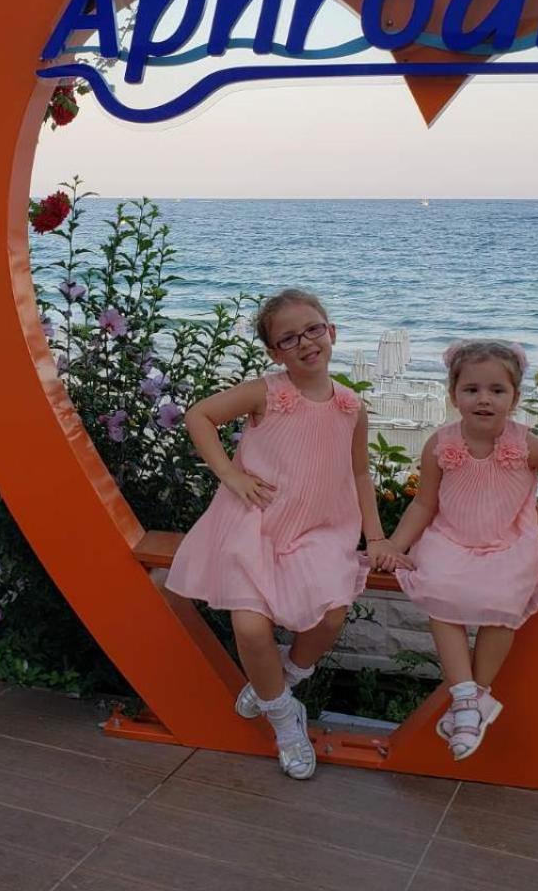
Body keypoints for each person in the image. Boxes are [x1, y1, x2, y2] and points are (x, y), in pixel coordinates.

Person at [166, 288, 383, 779]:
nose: (305, 342)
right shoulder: (266, 393)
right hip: (256, 523)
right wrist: (229, 474)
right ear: (274, 352)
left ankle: (281, 679)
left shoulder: (351, 406)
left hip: (319, 529)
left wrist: (376, 536)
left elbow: (360, 473)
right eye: (288, 338)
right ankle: (285, 719)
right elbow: (200, 415)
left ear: (331, 331)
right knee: (250, 627)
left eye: (313, 329)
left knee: (330, 616)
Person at [375, 339, 538, 760]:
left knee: (504, 600)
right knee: (438, 590)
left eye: (497, 390)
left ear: (515, 398)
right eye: (472, 389)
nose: (484, 399)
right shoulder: (441, 443)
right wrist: (395, 545)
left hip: (506, 543)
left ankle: (475, 697)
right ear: (453, 395)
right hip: (451, 538)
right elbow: (424, 503)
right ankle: (466, 697)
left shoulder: (525, 444)